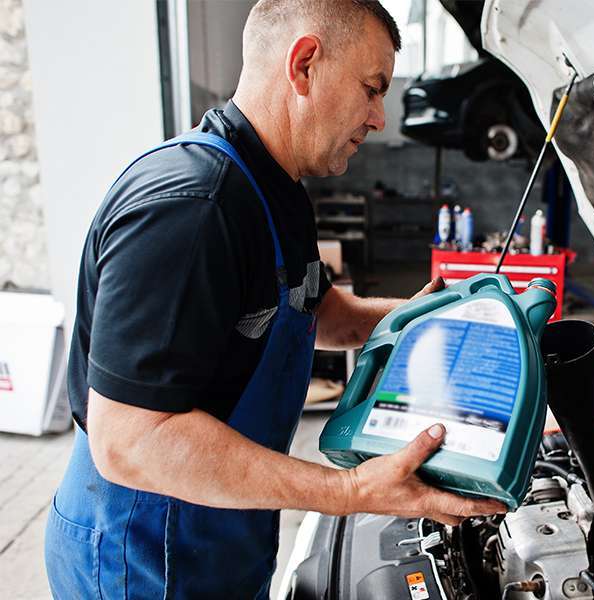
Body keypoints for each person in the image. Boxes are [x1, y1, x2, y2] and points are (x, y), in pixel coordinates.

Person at [44, 1, 505, 598]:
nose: (379, 118)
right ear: (305, 63)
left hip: (219, 528)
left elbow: (319, 315)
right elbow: (131, 440)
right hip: (141, 553)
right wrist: (348, 492)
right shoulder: (192, 209)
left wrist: (434, 319)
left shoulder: (275, 189)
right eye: (371, 89)